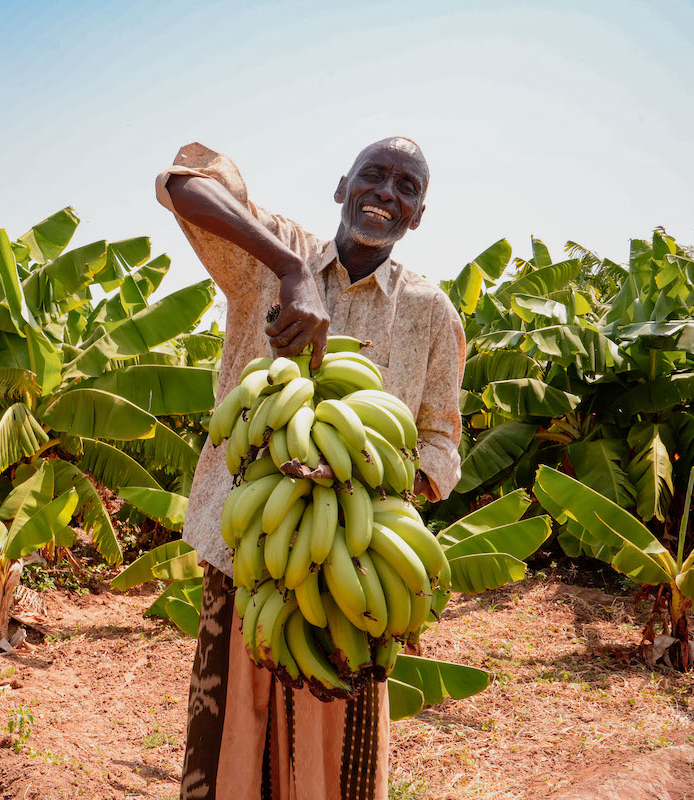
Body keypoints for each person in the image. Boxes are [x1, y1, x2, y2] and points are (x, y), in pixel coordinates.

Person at [156, 138, 466, 800]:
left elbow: (442, 441)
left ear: (418, 214)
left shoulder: (431, 312)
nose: (387, 192)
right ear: (341, 188)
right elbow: (180, 183)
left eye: (406, 186)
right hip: (245, 547)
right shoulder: (266, 256)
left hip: (355, 560)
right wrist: (290, 268)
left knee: (338, 765)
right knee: (232, 749)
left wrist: (366, 478)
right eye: (373, 176)